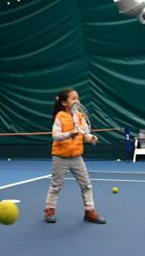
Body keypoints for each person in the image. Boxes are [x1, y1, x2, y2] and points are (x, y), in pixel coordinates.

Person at [44, 89, 106, 225]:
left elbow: (84, 133)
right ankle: (49, 210)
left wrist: (91, 138)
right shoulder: (60, 116)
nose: (77, 101)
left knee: (86, 185)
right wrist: (69, 134)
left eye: (78, 98)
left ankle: (89, 212)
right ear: (65, 102)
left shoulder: (79, 116)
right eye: (73, 98)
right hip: (60, 158)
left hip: (77, 158)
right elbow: (55, 135)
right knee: (56, 186)